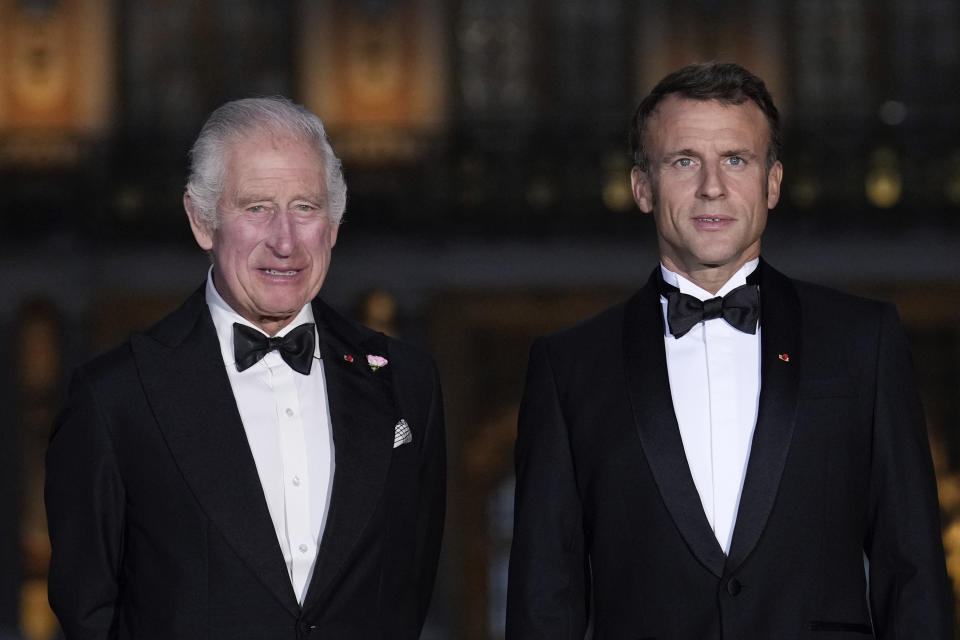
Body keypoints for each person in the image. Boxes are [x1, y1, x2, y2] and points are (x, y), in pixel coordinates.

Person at [505, 62, 953, 639]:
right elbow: (545, 596)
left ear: (773, 182)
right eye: (684, 161)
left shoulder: (863, 340)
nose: (712, 186)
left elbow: (912, 570)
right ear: (642, 187)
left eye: (736, 160)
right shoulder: (568, 368)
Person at [45, 97, 446, 639]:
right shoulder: (115, 398)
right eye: (256, 207)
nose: (285, 241)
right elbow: (88, 610)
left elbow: (409, 590)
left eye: (305, 207)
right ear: (201, 221)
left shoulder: (406, 382)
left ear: (333, 224)